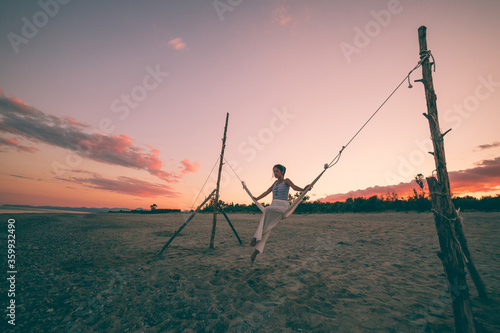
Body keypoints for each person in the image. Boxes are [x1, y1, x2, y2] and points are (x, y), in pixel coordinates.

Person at [250, 164, 309, 263]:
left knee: (266, 210)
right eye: (274, 171)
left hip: (283, 208)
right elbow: (266, 192)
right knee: (267, 229)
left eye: (277, 171)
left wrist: (304, 189)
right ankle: (255, 252)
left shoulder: (286, 181)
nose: (275, 173)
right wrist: (256, 199)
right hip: (273, 206)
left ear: (282, 172)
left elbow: (294, 187)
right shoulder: (274, 183)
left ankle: (255, 237)